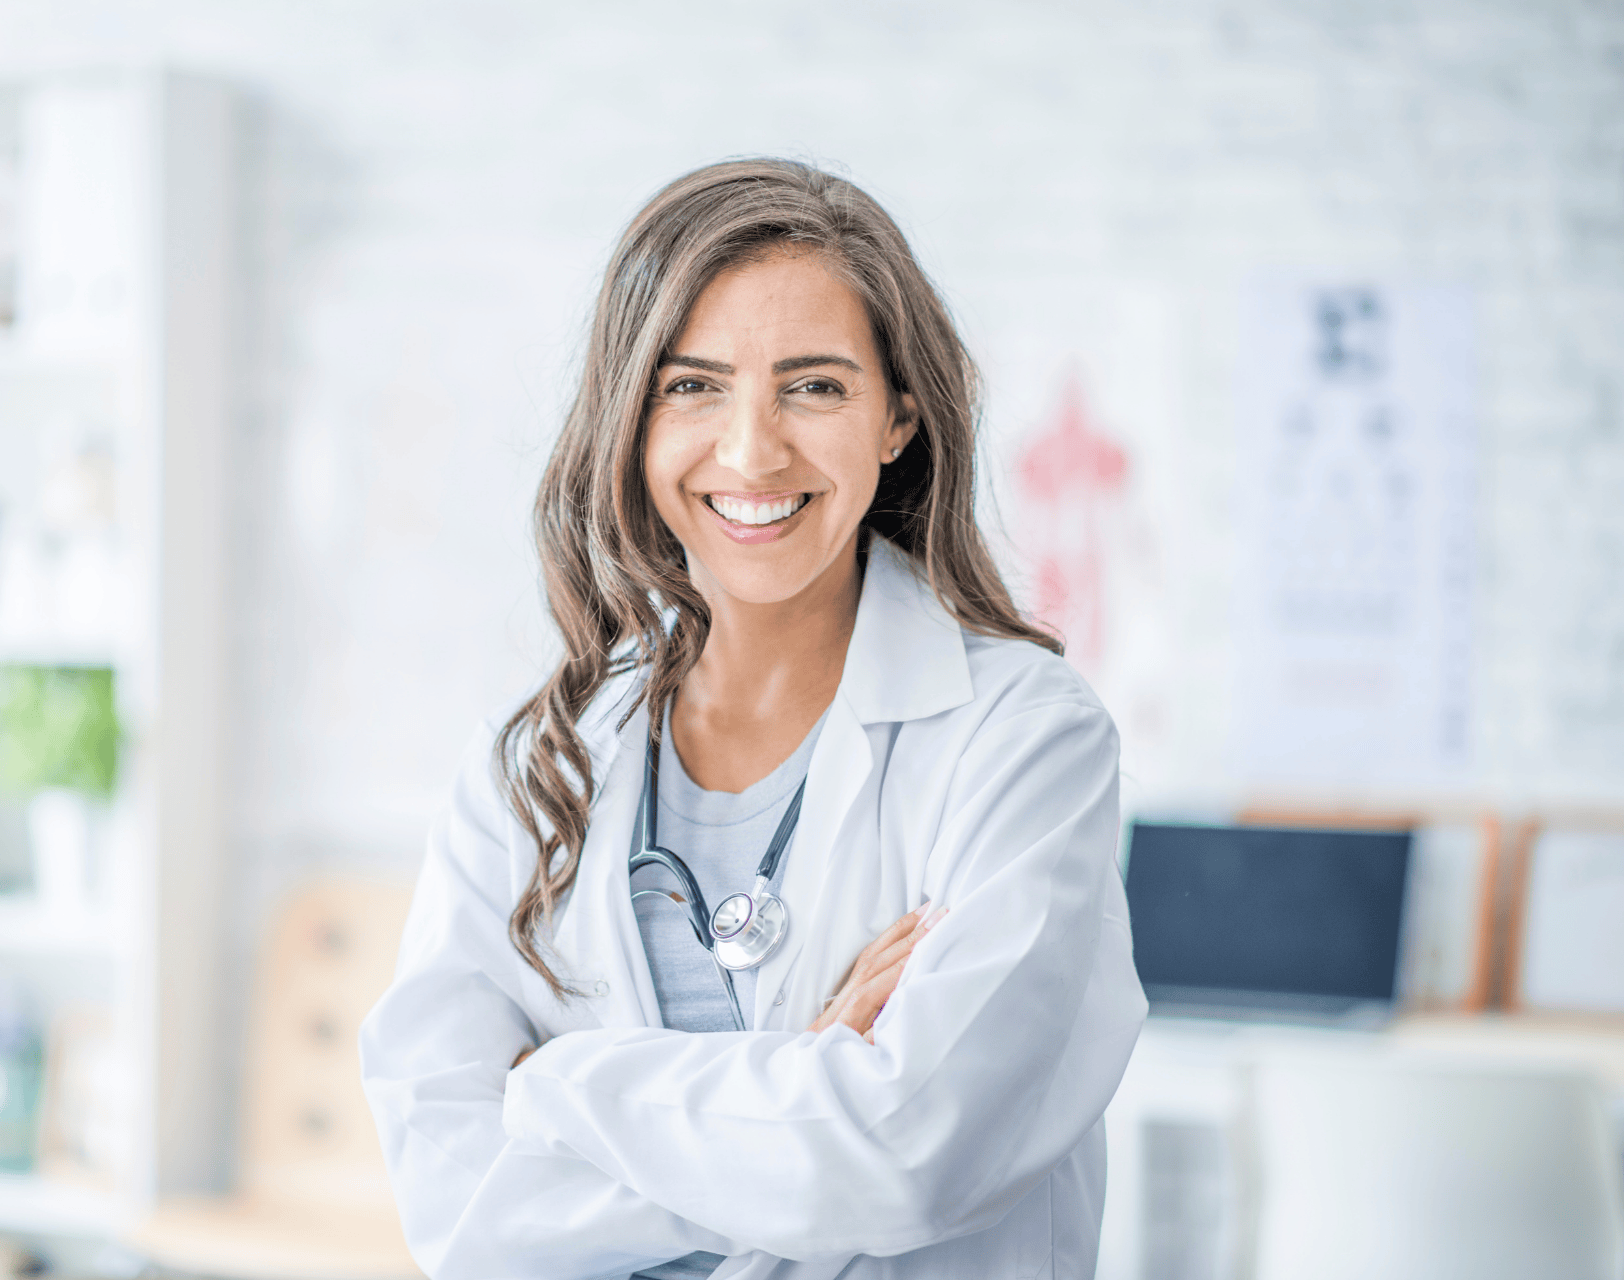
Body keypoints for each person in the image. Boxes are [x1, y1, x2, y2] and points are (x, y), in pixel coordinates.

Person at [359, 158, 1146, 1280]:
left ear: (898, 418)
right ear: (630, 419)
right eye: (693, 386)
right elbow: (460, 1210)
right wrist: (802, 1082)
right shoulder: (538, 760)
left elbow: (909, 1155)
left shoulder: (1026, 741)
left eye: (814, 386)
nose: (750, 449)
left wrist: (555, 1087)